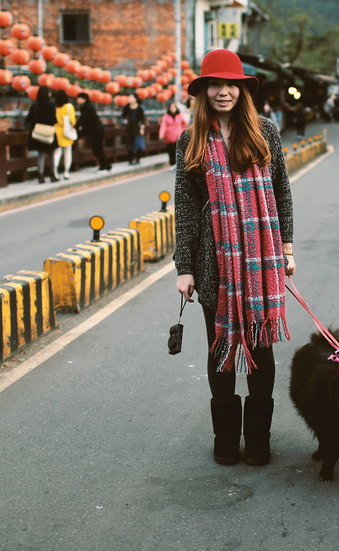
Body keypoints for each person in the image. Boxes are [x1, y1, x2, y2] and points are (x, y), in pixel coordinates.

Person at [174, 48, 296, 467]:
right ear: (203, 91)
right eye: (215, 85)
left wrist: (287, 248)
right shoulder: (190, 140)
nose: (223, 92)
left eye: (231, 85)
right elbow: (186, 207)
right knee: (220, 347)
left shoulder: (265, 131)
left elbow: (281, 191)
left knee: (260, 347)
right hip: (214, 262)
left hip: (261, 258)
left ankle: (258, 438)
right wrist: (185, 268)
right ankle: (225, 438)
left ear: (242, 90)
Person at [25, 85, 57, 183]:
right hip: (48, 132)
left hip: (38, 133)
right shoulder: (51, 105)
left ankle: (40, 175)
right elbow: (53, 119)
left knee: (41, 155)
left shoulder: (35, 106)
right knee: (51, 154)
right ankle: (52, 175)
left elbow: (28, 119)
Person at [76, 92, 111, 171]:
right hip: (96, 131)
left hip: (96, 131)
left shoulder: (87, 107)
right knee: (98, 149)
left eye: (78, 98)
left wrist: (76, 127)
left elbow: (83, 118)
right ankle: (106, 165)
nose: (77, 100)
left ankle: (104, 166)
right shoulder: (88, 106)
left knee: (97, 149)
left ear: (84, 99)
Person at [51, 89, 76, 181]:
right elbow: (72, 121)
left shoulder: (55, 107)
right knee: (68, 152)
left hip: (57, 131)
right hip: (66, 131)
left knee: (57, 153)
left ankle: (55, 172)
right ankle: (66, 172)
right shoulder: (69, 107)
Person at [159, 100, 188, 167]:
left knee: (178, 150)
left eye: (174, 107)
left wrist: (182, 130)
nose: (172, 109)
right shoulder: (166, 116)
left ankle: (178, 163)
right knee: (170, 150)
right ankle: (172, 163)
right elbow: (163, 126)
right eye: (171, 107)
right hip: (169, 136)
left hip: (178, 135)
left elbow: (184, 123)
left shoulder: (179, 115)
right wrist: (161, 134)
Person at [121, 94, 146, 165]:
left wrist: (142, 128)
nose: (130, 99)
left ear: (135, 99)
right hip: (129, 127)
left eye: (131, 98)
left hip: (137, 127)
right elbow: (123, 116)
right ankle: (130, 160)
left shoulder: (140, 108)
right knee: (129, 143)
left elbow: (142, 119)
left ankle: (138, 158)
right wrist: (125, 120)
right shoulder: (126, 107)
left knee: (138, 143)